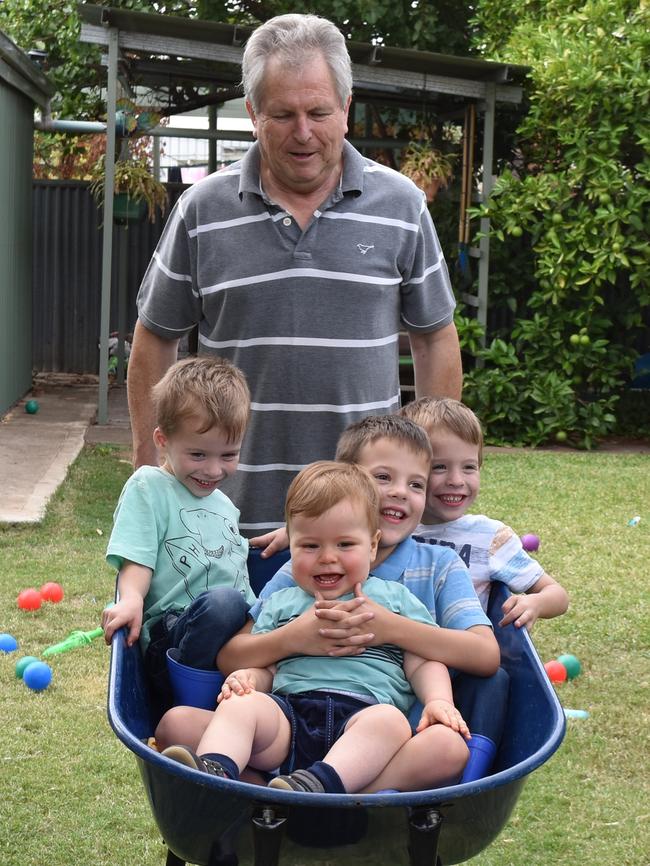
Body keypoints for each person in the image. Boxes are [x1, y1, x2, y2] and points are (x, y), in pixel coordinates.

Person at [127, 12, 462, 537]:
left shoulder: (402, 206)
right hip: (225, 525)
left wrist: (431, 474)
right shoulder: (203, 210)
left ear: (346, 110)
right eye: (282, 114)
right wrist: (150, 477)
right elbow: (155, 338)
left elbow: (435, 338)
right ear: (254, 112)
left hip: (364, 530)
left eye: (319, 112)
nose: (303, 133)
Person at [159, 416, 499, 791]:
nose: (327, 559)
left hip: (366, 724)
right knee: (178, 722)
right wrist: (270, 660)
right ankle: (221, 774)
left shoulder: (399, 596)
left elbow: (428, 661)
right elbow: (247, 660)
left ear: (371, 542)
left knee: (435, 742)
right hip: (288, 721)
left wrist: (425, 681)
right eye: (382, 478)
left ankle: (321, 793)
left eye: (415, 483)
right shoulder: (291, 590)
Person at [102, 357, 256, 710]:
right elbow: (137, 558)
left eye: (228, 454)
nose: (214, 470)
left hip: (232, 642)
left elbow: (235, 571)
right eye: (198, 454)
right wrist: (130, 600)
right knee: (224, 603)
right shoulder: (150, 486)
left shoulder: (224, 506)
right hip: (172, 640)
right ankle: (184, 703)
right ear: (162, 440)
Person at [401, 397, 569, 629]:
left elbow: (557, 595)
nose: (456, 481)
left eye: (469, 467)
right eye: (439, 467)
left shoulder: (490, 537)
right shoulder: (390, 529)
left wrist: (535, 603)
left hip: (464, 657)